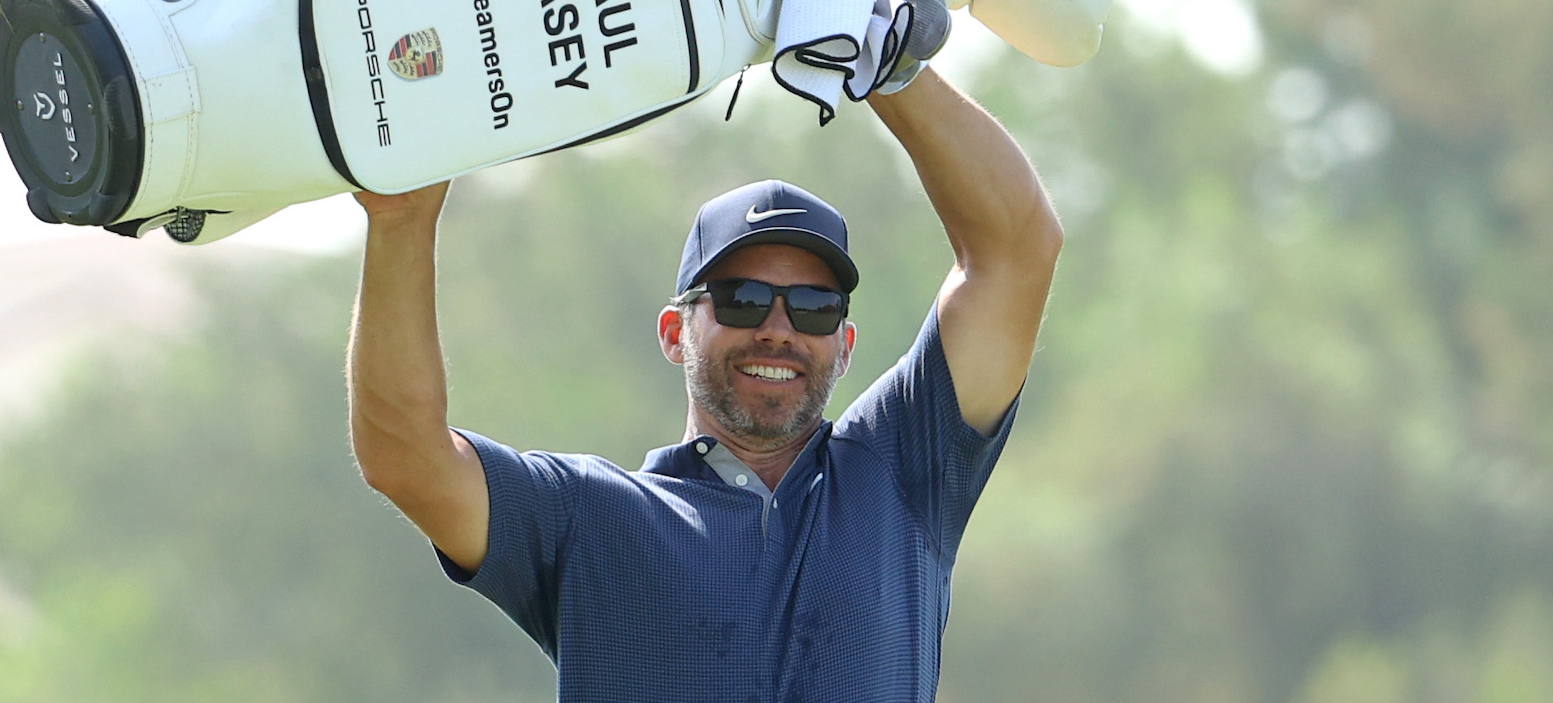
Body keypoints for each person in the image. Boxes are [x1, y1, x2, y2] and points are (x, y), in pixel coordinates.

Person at [347, 66, 1062, 701]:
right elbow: (405, 455)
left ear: (844, 347)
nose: (778, 329)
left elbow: (1018, 249)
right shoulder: (585, 518)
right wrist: (403, 222)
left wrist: (891, 67)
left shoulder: (904, 471)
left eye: (813, 308)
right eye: (742, 300)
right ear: (673, 332)